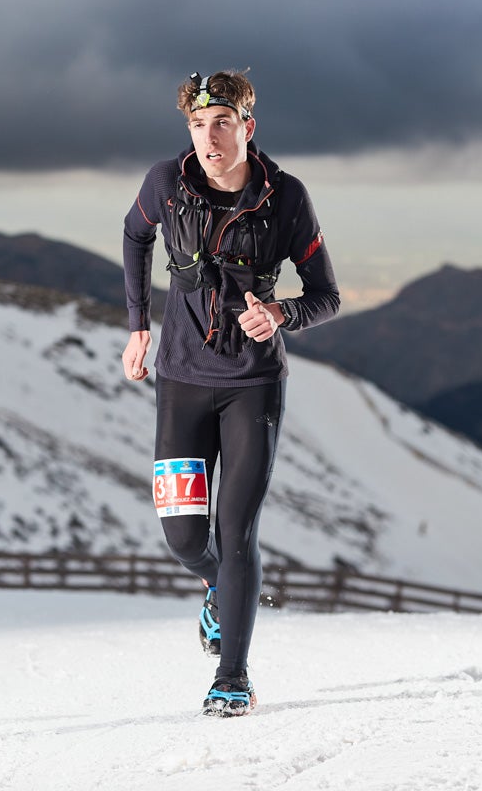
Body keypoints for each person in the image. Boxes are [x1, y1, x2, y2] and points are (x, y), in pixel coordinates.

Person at [120, 69, 340, 716]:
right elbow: (135, 237)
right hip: (181, 385)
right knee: (185, 538)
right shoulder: (166, 182)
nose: (209, 138)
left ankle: (232, 676)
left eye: (221, 124)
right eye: (197, 125)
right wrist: (137, 325)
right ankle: (222, 589)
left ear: (247, 127)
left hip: (253, 389)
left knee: (236, 532)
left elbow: (326, 296)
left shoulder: (287, 197)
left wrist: (280, 314)